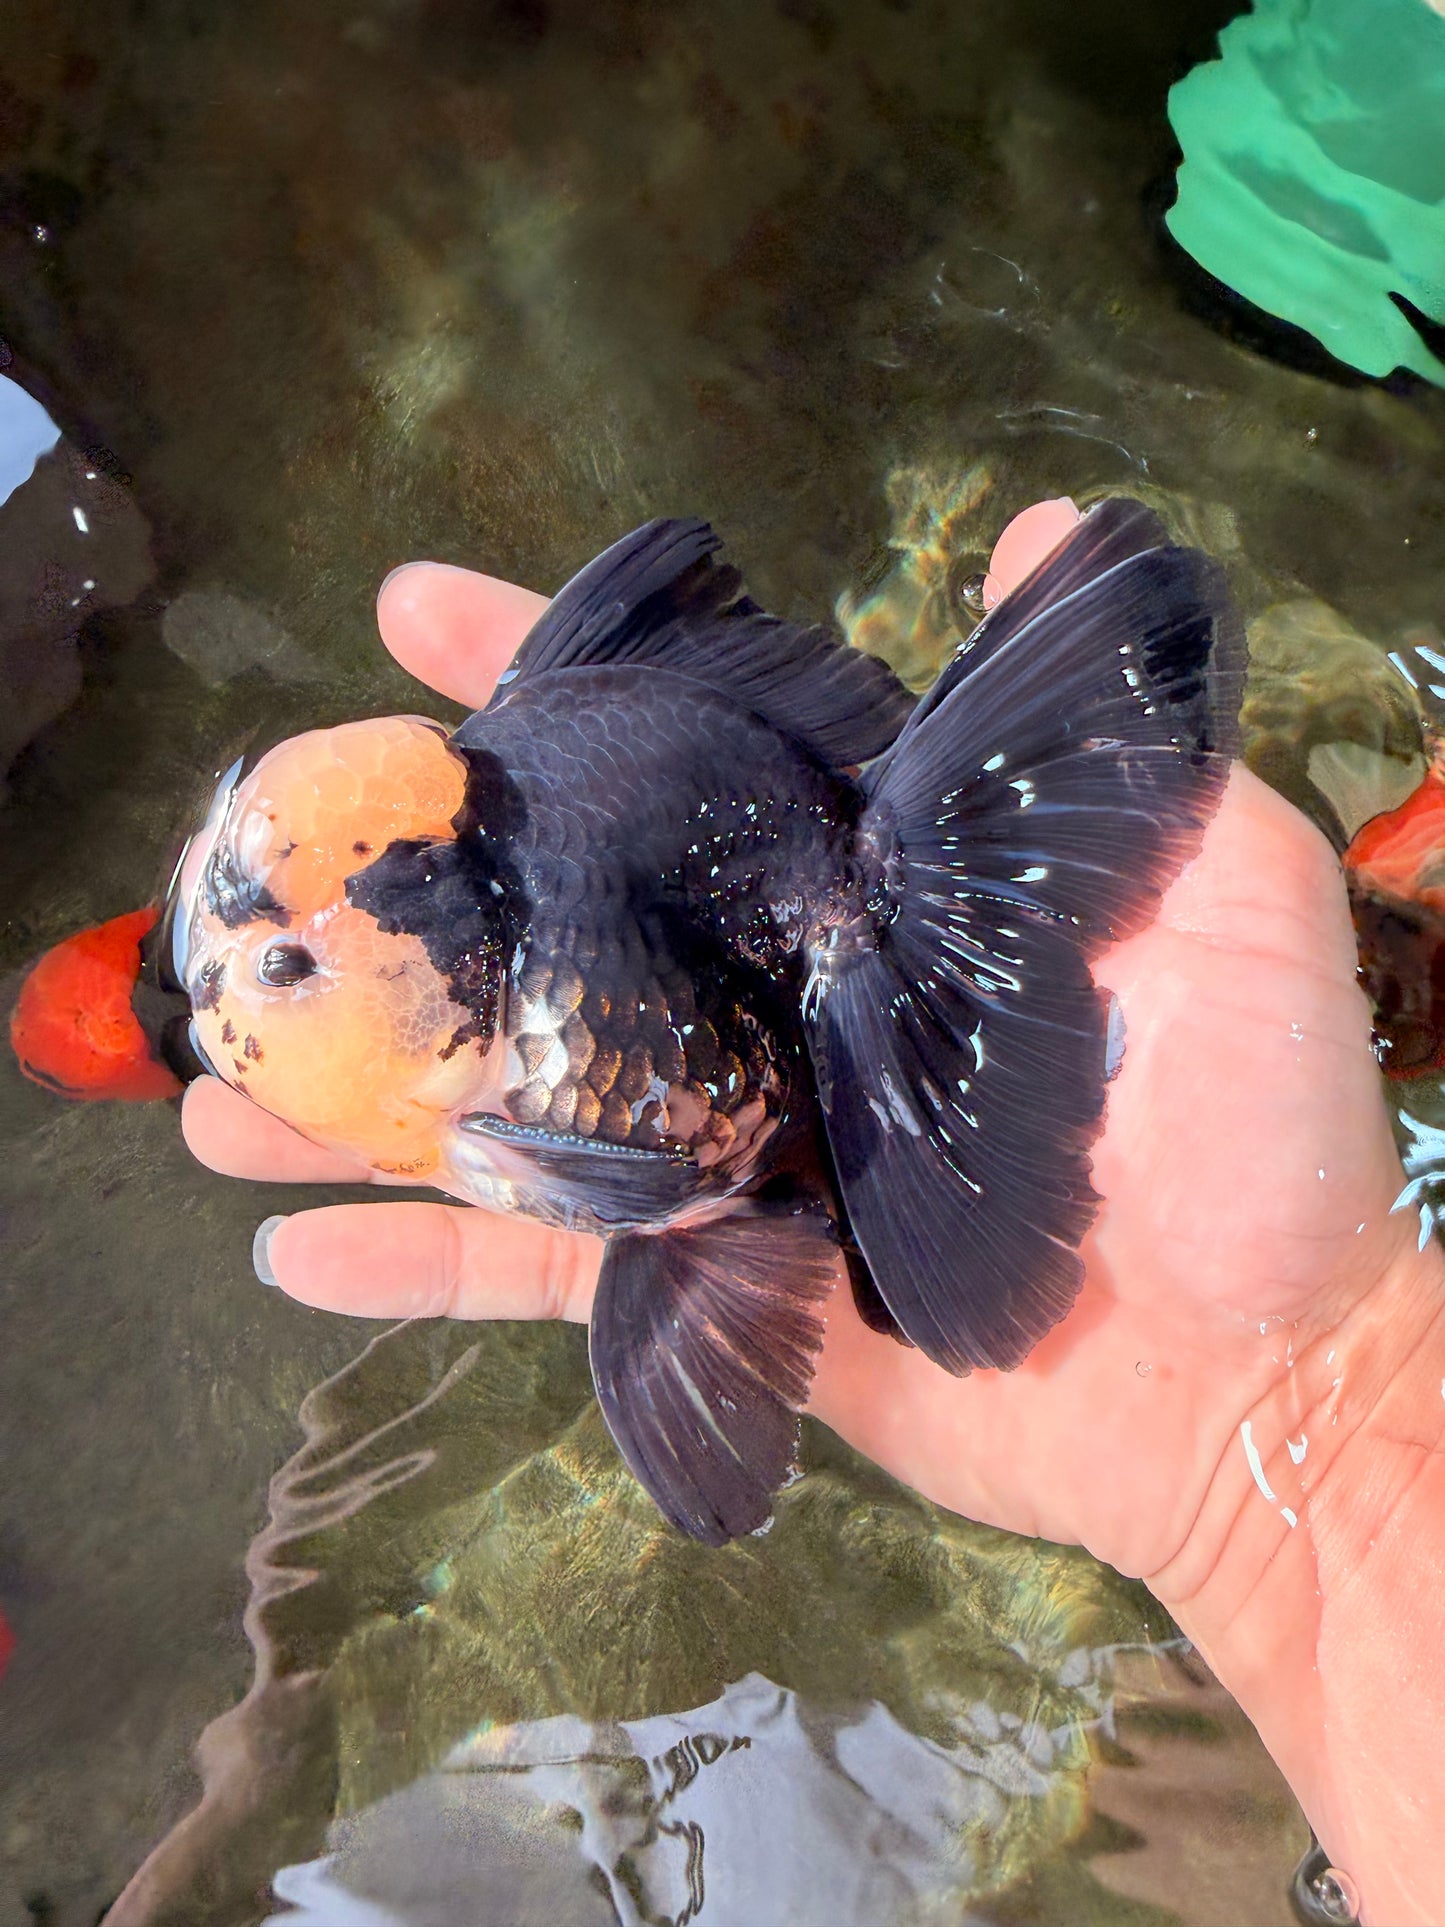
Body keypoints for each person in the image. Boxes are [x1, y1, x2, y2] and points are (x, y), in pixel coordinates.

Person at [182, 502, 1445, 1927]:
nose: (226, 1008)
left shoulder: (511, 1051)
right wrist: (1321, 1469)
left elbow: (646, 1179)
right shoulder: (466, 1064)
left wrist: (1317, 1439)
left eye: (281, 964)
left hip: (796, 946)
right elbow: (652, 1199)